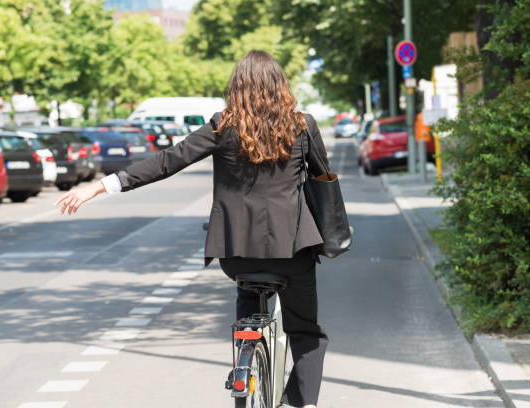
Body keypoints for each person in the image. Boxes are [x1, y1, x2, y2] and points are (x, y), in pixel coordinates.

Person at [55, 50, 329, 408]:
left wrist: (100, 186)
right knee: (306, 333)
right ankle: (303, 404)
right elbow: (323, 177)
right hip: (292, 251)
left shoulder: (221, 126)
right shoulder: (302, 126)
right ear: (281, 86)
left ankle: (245, 358)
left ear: (238, 87)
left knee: (249, 294)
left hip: (235, 254)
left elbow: (167, 162)